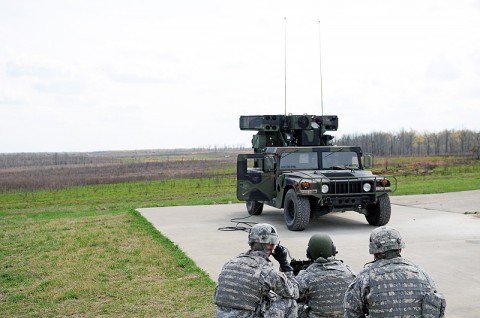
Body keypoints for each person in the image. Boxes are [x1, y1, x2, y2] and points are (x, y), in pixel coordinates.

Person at [343, 226, 446, 318]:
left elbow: (351, 313)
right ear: (400, 248)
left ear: (374, 251)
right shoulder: (422, 274)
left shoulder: (364, 277)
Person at [214, 223, 299, 317]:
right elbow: (294, 292)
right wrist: (284, 263)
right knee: (290, 303)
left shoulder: (229, 264)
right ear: (270, 246)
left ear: (251, 242)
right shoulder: (267, 271)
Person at [295, 233, 356, 318]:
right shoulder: (349, 272)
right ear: (333, 250)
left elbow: (292, 294)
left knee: (290, 303)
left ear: (309, 252)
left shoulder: (306, 276)